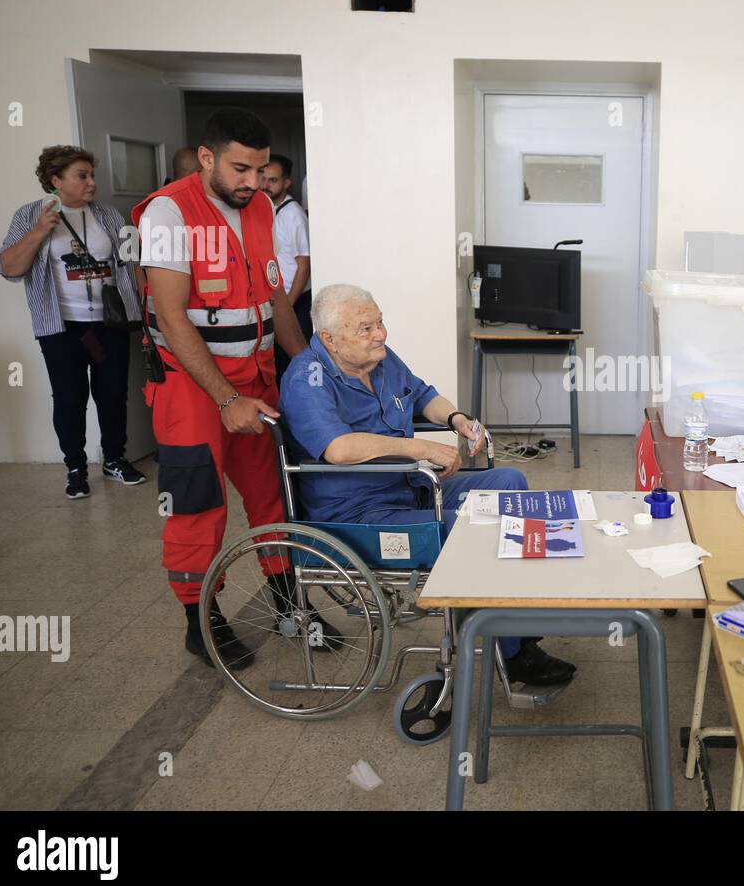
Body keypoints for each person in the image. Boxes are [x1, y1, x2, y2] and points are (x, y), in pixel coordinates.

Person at [279, 283, 578, 686]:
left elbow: (421, 394)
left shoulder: (376, 360)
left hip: (408, 489)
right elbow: (338, 448)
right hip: (359, 515)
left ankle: (514, 613)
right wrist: (419, 448)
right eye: (365, 328)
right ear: (329, 339)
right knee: (470, 530)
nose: (381, 334)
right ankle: (516, 652)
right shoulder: (307, 378)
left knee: (509, 480)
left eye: (380, 322)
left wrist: (457, 419)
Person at [134, 107, 319, 669]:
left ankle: (290, 607)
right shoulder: (169, 212)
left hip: (256, 376)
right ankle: (200, 620)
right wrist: (225, 399)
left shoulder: (261, 208)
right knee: (198, 504)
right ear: (208, 157)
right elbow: (171, 317)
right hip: (193, 386)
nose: (251, 183)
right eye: (240, 169)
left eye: (261, 171)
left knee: (274, 493)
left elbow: (276, 299)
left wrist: (311, 368)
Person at [0, 145, 146, 498]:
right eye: (82, 176)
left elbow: (134, 266)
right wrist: (41, 231)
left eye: (92, 175)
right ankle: (75, 466)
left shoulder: (109, 215)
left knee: (112, 393)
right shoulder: (30, 215)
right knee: (70, 397)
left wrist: (147, 312)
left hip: (108, 325)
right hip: (63, 328)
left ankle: (115, 458)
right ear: (55, 180)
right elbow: (8, 268)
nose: (92, 183)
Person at [261, 154, 312, 381]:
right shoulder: (263, 209)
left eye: (273, 180)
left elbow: (304, 264)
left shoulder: (294, 215)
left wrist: (288, 305)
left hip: (295, 300)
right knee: (276, 362)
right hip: (276, 300)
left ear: (286, 182)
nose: (265, 185)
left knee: (293, 362)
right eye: (264, 179)